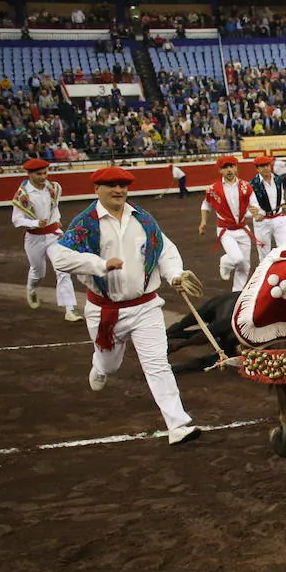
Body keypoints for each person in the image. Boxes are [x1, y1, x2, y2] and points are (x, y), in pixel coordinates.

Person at [49, 166, 200, 445]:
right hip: (104, 310)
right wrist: (99, 265)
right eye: (111, 186)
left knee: (157, 364)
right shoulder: (86, 223)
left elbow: (165, 250)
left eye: (122, 185)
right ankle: (100, 366)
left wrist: (175, 275)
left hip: (146, 306)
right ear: (97, 189)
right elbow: (58, 256)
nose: (119, 190)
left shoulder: (143, 218)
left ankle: (178, 425)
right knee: (110, 363)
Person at [10, 158, 81, 322]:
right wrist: (34, 223)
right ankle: (32, 289)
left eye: (45, 173)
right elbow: (16, 220)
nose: (43, 177)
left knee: (62, 269)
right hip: (34, 238)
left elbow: (54, 207)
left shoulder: (54, 188)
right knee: (38, 271)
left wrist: (56, 221)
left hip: (53, 234)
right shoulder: (22, 195)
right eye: (39, 174)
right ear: (29, 174)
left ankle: (70, 309)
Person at [199, 155, 253, 291]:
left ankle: (237, 293)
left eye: (231, 166)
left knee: (245, 266)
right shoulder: (213, 189)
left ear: (236, 168)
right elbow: (206, 205)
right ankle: (225, 261)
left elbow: (253, 205)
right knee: (237, 259)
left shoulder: (246, 186)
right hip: (226, 231)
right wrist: (203, 222)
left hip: (243, 229)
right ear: (220, 171)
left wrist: (255, 213)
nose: (229, 170)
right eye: (225, 167)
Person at [249, 155, 286, 261]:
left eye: (267, 165)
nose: (265, 168)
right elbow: (250, 202)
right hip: (262, 222)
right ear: (257, 169)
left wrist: (282, 203)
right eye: (262, 166)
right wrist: (256, 214)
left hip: (279, 218)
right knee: (264, 253)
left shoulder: (277, 179)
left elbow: (280, 193)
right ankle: (264, 275)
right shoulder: (253, 184)